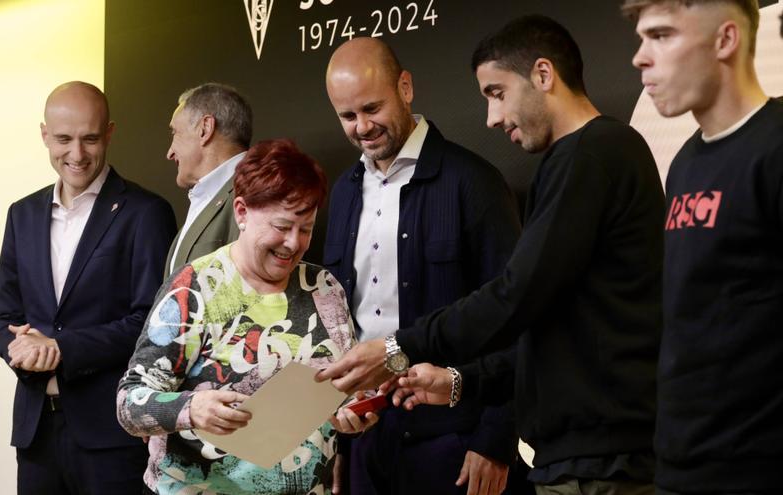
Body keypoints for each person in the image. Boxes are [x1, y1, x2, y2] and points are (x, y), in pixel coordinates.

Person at [317, 15, 666, 495]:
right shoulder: (569, 162)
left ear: (543, 76)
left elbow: (514, 298)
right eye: (346, 115)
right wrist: (457, 382)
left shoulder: (590, 155)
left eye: (497, 93)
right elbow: (546, 329)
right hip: (564, 453)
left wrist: (399, 350)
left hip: (595, 456)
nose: (492, 118)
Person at [322, 37, 524, 495]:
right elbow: (338, 325)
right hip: (365, 437)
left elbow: (516, 318)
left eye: (372, 108)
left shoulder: (472, 182)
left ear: (406, 87)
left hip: (452, 441)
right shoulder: (344, 193)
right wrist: (336, 443)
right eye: (347, 116)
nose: (362, 127)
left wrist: (495, 440)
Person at [117, 139, 374, 495]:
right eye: (281, 226)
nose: (293, 243)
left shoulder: (324, 287)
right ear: (241, 212)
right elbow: (129, 402)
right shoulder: (194, 288)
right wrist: (190, 408)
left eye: (306, 228)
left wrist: (356, 410)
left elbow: (348, 386)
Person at [624, 0, 783, 492]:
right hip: (677, 464)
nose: (640, 57)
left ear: (725, 41)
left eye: (663, 35)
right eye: (641, 37)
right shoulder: (687, 161)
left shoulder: (775, 149)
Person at [0, 81, 177, 494]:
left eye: (90, 139)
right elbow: (6, 317)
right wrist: (19, 348)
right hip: (35, 432)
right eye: (63, 140)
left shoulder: (146, 213)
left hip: (110, 436)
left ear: (109, 133)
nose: (76, 155)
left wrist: (61, 348)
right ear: (44, 135)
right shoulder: (21, 215)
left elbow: (151, 325)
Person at [164, 83, 252, 276]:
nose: (170, 153)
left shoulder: (254, 195)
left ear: (205, 128)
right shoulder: (205, 196)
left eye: (175, 133)